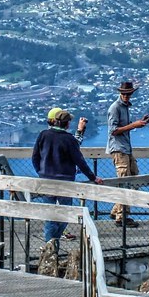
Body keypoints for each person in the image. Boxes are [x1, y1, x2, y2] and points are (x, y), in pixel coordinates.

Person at [31, 107, 103, 251]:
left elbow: (35, 157)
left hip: (46, 181)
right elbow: (79, 161)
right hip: (65, 182)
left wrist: (41, 172)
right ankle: (52, 243)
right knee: (66, 214)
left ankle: (49, 246)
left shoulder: (43, 135)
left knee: (50, 215)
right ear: (67, 124)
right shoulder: (69, 139)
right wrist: (93, 177)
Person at [105, 79, 149, 227]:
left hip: (126, 149)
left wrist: (139, 123)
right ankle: (122, 217)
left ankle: (116, 210)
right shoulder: (115, 108)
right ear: (120, 93)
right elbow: (113, 131)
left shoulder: (125, 107)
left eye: (128, 94)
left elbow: (123, 128)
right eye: (124, 94)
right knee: (124, 181)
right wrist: (134, 125)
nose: (126, 96)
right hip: (119, 149)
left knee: (134, 178)